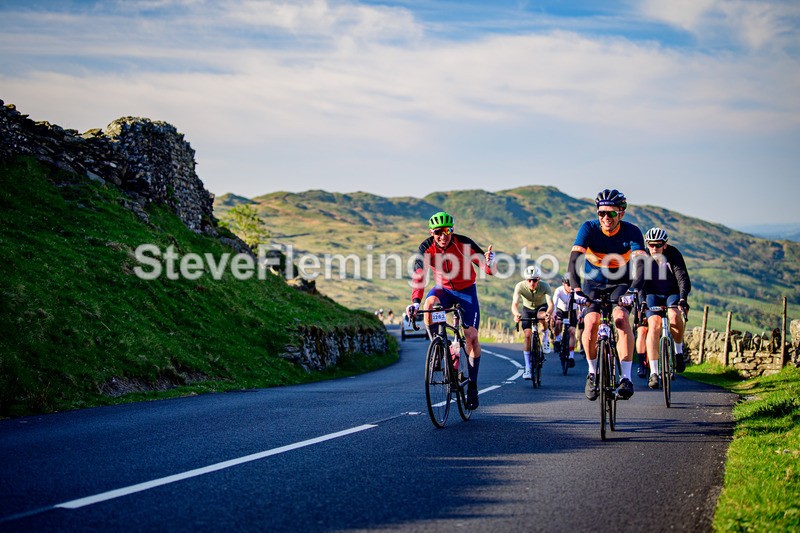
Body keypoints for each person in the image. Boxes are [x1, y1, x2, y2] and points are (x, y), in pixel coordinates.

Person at [406, 211, 495, 410]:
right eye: (438, 231)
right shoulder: (426, 248)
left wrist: (489, 261)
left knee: (471, 336)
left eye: (448, 230)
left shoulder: (464, 243)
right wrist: (415, 302)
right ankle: (438, 347)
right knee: (429, 305)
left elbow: (487, 269)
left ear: (452, 230)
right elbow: (419, 276)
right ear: (431, 232)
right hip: (443, 289)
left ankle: (472, 385)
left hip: (466, 292)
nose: (443, 235)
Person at [568, 189, 646, 401]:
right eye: (601, 213)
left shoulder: (632, 231)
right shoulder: (589, 228)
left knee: (620, 319)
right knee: (591, 322)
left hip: (621, 284)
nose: (605, 218)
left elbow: (641, 265)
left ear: (620, 213)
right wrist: (576, 289)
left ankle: (626, 378)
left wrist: (634, 290)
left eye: (610, 213)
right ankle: (592, 373)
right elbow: (574, 260)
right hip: (593, 284)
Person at [641, 227, 691, 389]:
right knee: (654, 325)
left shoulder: (673, 254)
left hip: (671, 292)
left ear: (665, 245)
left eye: (658, 245)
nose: (654, 248)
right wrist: (641, 302)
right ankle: (654, 373)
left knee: (675, 316)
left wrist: (683, 298)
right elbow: (639, 282)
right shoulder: (643, 257)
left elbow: (682, 277)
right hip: (651, 294)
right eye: (651, 245)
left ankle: (678, 353)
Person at [511, 265, 554, 379]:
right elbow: (515, 304)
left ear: (538, 280)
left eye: (534, 280)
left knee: (541, 316)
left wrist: (548, 314)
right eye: (529, 280)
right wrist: (516, 314)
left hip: (541, 308)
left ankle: (545, 338)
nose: (532, 282)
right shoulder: (520, 286)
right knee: (527, 335)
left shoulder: (545, 286)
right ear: (526, 280)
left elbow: (550, 304)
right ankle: (528, 368)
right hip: (527, 309)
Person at [551, 275, 577, 368]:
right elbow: (554, 302)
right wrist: (553, 313)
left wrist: (581, 314)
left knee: (572, 332)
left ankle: (571, 356)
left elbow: (581, 304)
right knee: (558, 322)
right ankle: (557, 340)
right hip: (561, 310)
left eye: (571, 284)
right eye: (568, 284)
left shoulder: (575, 290)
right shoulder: (559, 290)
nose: (570, 287)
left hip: (572, 311)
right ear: (563, 284)